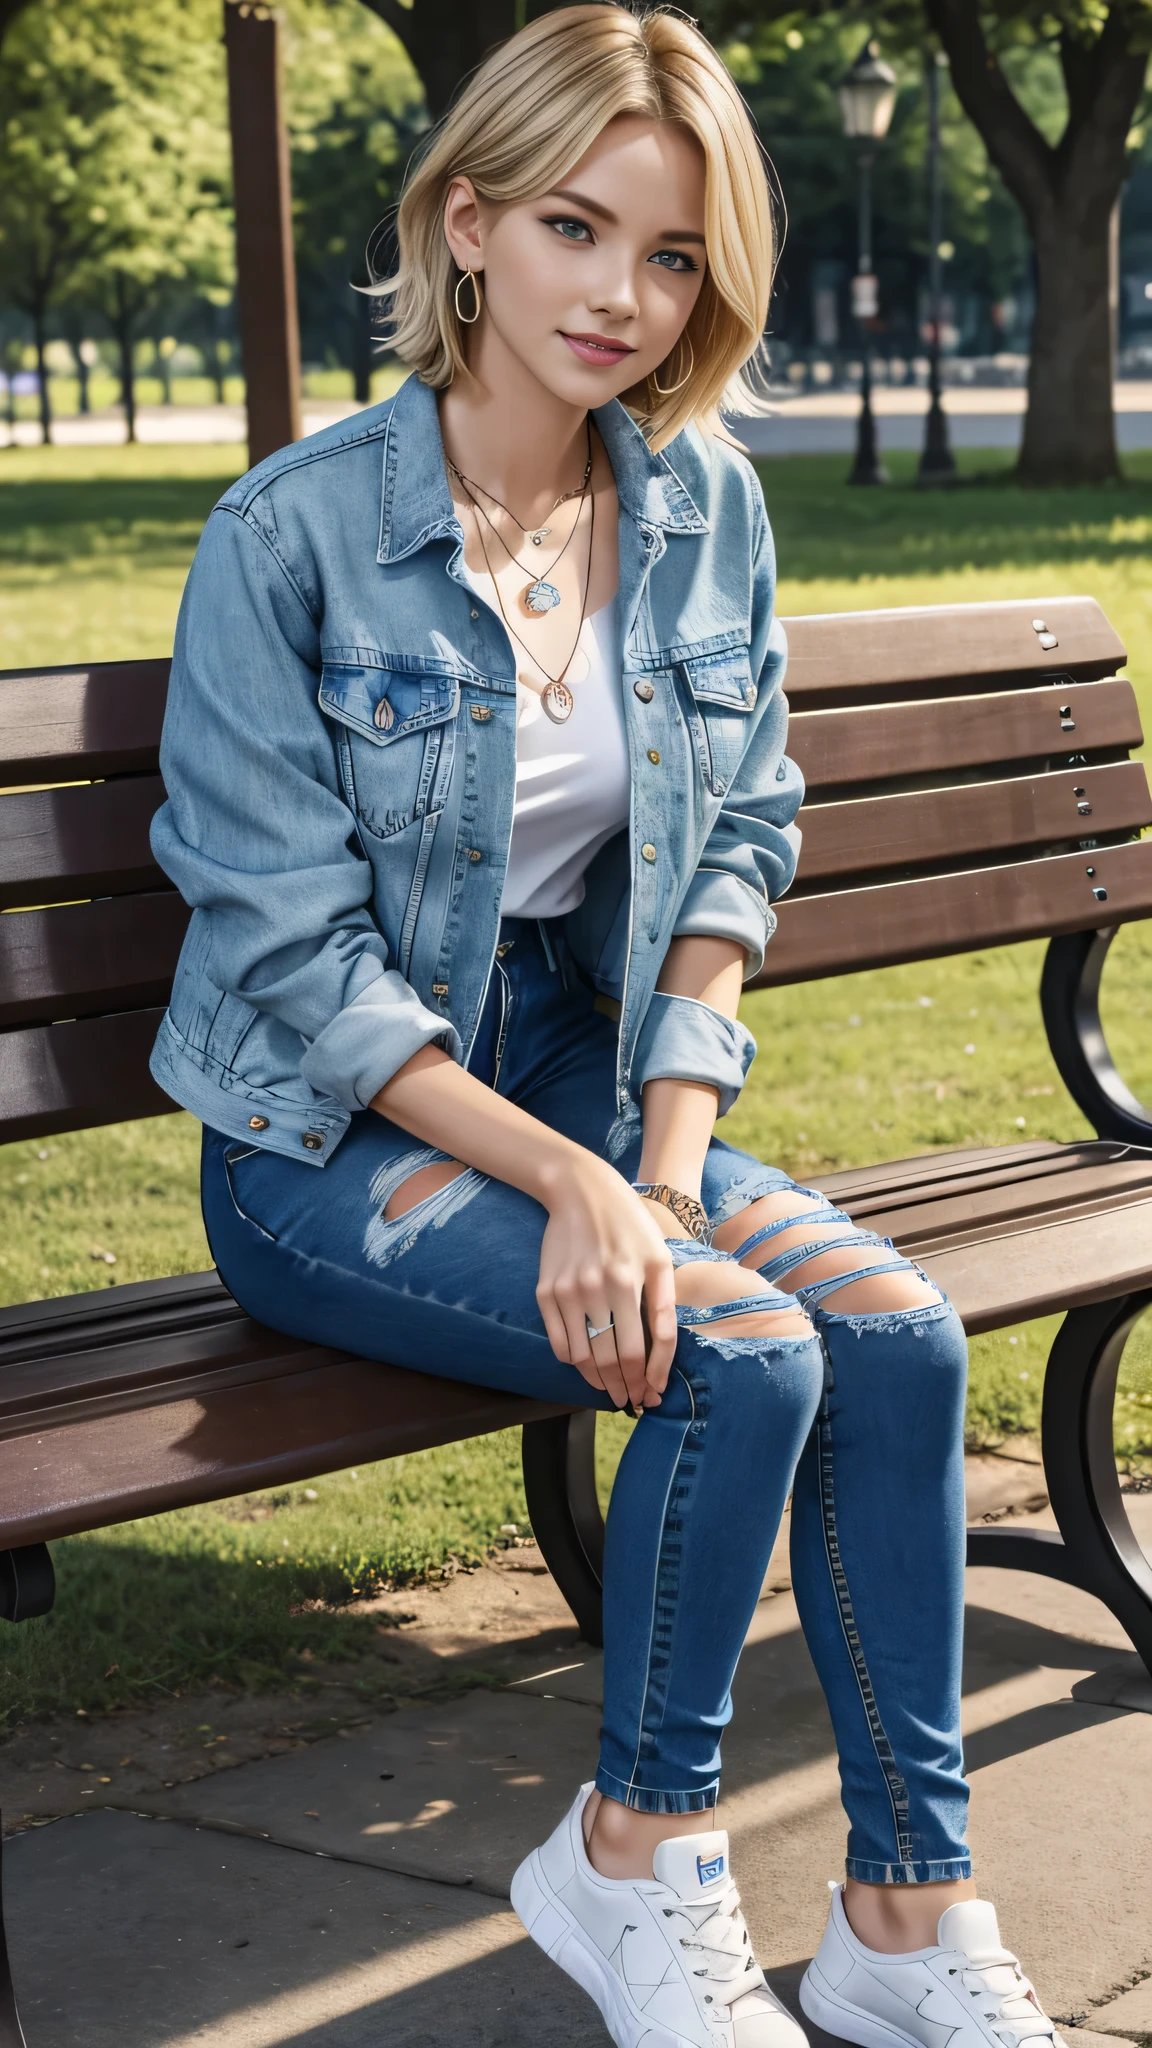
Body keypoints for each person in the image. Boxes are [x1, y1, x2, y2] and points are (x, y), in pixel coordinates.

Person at [150, 10, 1066, 2048]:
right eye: (578, 227)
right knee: (731, 1351)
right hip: (322, 1146)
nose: (624, 297)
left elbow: (742, 829)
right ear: (467, 221)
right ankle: (630, 1861)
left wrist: (655, 1149)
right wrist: (582, 1188)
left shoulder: (694, 508)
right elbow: (296, 965)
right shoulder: (285, 540)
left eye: (671, 258)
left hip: (573, 1078)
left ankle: (906, 1916)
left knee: (893, 1336)